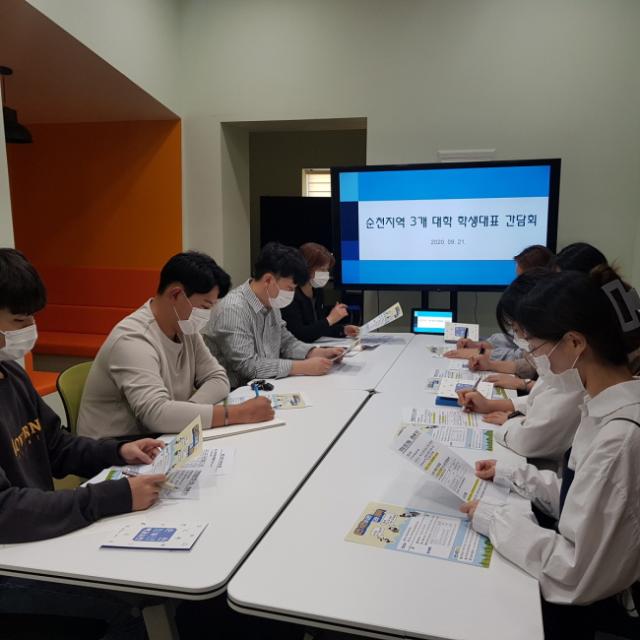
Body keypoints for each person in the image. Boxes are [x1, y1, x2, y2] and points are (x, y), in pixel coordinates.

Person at [460, 266, 640, 639]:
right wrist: (514, 474)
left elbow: (575, 572)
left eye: (536, 348)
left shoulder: (620, 439)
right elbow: (582, 498)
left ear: (574, 343)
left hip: (588, 603)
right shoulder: (605, 405)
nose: (537, 362)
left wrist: (494, 520)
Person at [0, 248, 168, 638]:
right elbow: (5, 511)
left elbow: (56, 446)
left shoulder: (11, 375)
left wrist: (117, 452)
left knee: (146, 584)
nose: (31, 329)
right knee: (131, 608)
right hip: (10, 563)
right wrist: (114, 496)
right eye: (20, 320)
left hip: (31, 541)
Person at [78, 251, 274, 440]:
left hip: (159, 437)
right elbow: (156, 414)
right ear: (176, 294)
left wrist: (186, 412)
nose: (206, 315)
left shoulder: (185, 329)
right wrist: (236, 414)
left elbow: (218, 378)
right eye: (205, 306)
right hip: (114, 448)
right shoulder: (133, 339)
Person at [457, 269, 582, 464]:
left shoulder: (575, 380)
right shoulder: (566, 371)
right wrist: (490, 405)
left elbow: (531, 440)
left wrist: (512, 420)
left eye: (530, 342)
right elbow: (539, 400)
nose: (528, 349)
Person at [203, 242, 344, 388]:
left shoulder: (270, 301)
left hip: (265, 385)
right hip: (234, 391)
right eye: (290, 288)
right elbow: (248, 366)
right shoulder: (233, 309)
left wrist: (315, 352)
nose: (291, 294)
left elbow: (286, 342)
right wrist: (302, 366)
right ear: (268, 280)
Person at [446, 245, 555, 361]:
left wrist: (481, 353)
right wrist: (480, 346)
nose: (516, 285)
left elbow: (524, 357)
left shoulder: (547, 313)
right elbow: (512, 339)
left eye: (521, 280)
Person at [281, 242, 359, 342]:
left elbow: (319, 329)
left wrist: (343, 330)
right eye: (322, 269)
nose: (326, 274)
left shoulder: (317, 291)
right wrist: (330, 319)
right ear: (306, 268)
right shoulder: (290, 293)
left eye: (327, 270)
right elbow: (299, 334)